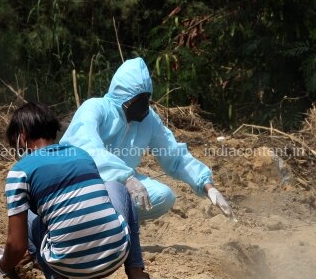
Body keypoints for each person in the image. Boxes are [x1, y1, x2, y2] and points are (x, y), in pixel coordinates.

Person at [0, 103, 168, 279]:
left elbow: (17, 245)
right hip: (115, 255)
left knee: (28, 215)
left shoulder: (20, 171)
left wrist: (3, 267)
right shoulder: (81, 155)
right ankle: (137, 272)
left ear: (22, 137)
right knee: (116, 187)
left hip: (68, 265)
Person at [61, 58, 231, 222]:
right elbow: (87, 148)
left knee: (164, 196)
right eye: (138, 100)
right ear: (123, 95)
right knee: (109, 198)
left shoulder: (149, 120)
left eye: (146, 99)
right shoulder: (95, 108)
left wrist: (208, 187)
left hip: (121, 185)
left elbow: (173, 155)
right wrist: (126, 178)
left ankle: (115, 226)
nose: (144, 107)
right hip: (83, 183)